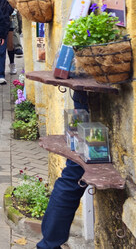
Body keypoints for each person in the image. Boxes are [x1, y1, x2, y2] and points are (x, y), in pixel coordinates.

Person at [38, 91, 89, 249]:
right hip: (91, 102)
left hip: (82, 100)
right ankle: (49, 244)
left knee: (72, 175)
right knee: (73, 175)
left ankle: (49, 243)